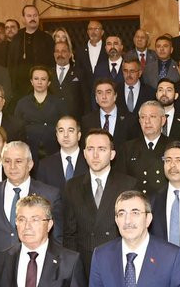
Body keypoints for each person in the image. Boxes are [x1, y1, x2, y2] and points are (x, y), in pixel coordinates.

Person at [0, 141, 62, 282]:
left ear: (30, 164)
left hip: (36, 274)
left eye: (18, 161)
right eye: (7, 161)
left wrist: (53, 278)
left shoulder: (50, 194)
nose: (12, 166)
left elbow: (57, 240)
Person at [62, 128, 136, 273]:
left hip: (117, 261)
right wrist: (72, 267)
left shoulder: (128, 185)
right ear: (84, 153)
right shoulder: (72, 186)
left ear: (112, 154)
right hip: (84, 264)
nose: (95, 155)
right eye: (90, 149)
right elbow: (69, 234)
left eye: (102, 149)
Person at [12, 66, 67, 161]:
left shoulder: (58, 103)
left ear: (49, 82)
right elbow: (16, 128)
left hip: (52, 148)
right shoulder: (22, 103)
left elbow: (64, 126)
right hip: (28, 149)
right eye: (36, 79)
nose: (39, 82)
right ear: (31, 81)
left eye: (43, 79)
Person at [115, 101, 169, 196]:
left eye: (152, 116)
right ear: (139, 121)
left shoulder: (172, 147)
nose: (147, 121)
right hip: (136, 200)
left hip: (163, 200)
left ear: (163, 120)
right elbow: (120, 181)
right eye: (143, 117)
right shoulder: (127, 148)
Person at [7, 5, 54, 99]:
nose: (33, 18)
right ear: (23, 19)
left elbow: (52, 64)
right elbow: (11, 63)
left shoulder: (47, 38)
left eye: (35, 15)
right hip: (20, 88)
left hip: (40, 86)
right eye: (29, 16)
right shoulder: (17, 38)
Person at [35, 115, 81, 192]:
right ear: (56, 135)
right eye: (61, 131)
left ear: (79, 135)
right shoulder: (45, 165)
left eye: (70, 130)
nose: (65, 135)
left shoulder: (90, 161)